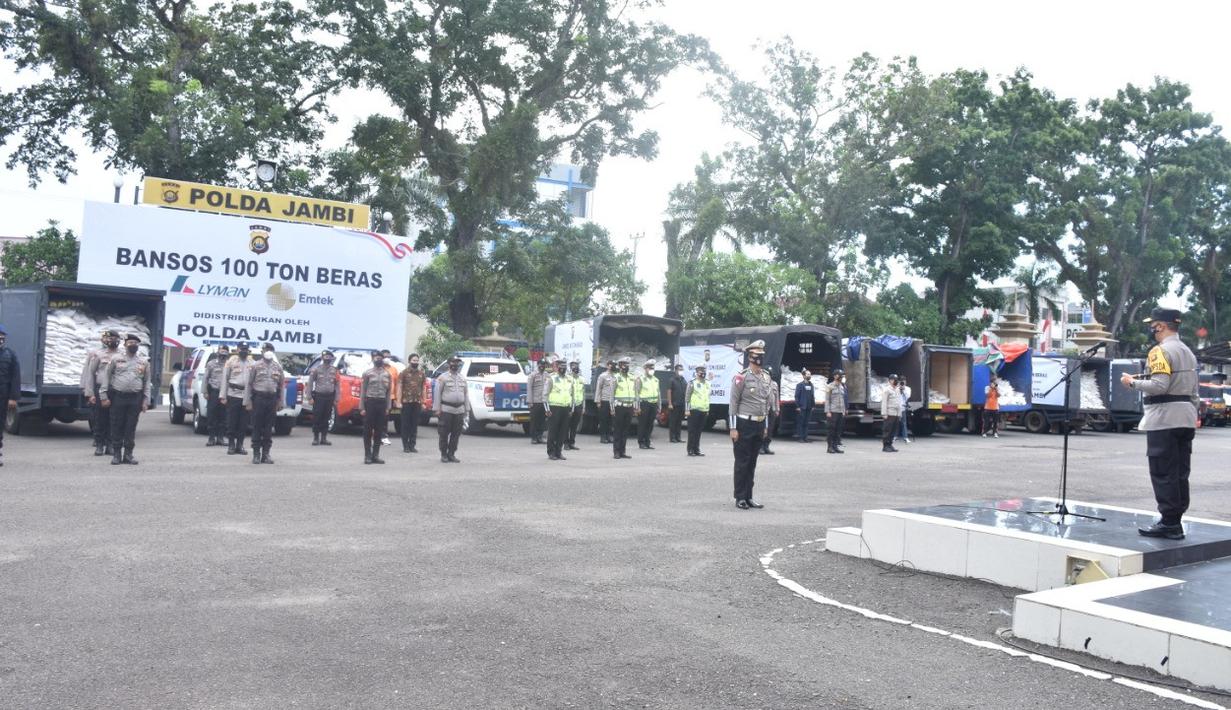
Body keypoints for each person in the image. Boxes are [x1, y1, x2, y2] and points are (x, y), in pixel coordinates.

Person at [1119, 307, 1200, 539]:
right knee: (1180, 472)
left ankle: (1169, 523)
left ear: (1161, 326)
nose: (1151, 329)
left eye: (1153, 325)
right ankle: (1175, 519)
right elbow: (1194, 391)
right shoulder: (1188, 351)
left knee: (1163, 471)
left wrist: (1131, 382)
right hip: (1185, 418)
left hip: (1164, 418)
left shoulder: (1159, 351)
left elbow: (1159, 386)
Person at [729, 340, 773, 509]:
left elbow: (765, 403)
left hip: (759, 423)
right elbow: (733, 403)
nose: (760, 358)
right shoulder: (741, 377)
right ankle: (740, 497)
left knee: (752, 462)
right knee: (742, 462)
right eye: (757, 355)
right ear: (750, 357)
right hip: (743, 424)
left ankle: (749, 496)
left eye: (762, 355)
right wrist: (733, 428)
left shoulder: (766, 377)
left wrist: (766, 425)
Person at [100, 334, 150, 465]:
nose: (133, 345)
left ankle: (128, 454)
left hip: (135, 399)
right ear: (125, 344)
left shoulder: (143, 362)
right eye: (130, 342)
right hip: (118, 397)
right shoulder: (116, 359)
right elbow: (106, 377)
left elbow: (146, 382)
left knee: (130, 427)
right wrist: (103, 396)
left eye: (135, 343)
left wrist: (145, 401)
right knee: (116, 425)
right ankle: (116, 454)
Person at [81, 330, 120, 456]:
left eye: (114, 338)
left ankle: (110, 445)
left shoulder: (122, 356)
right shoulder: (98, 355)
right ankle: (99, 444)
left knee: (113, 419)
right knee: (99, 418)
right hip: (101, 389)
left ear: (119, 340)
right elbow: (91, 373)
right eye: (109, 338)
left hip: (116, 390)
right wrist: (90, 393)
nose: (112, 341)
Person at [244, 343, 284, 464]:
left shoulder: (277, 367)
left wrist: (280, 401)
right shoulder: (255, 366)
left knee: (268, 428)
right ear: (262, 351)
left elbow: (281, 386)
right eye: (266, 349)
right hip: (258, 399)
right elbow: (249, 384)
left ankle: (266, 454)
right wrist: (247, 401)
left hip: (271, 399)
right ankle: (256, 454)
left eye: (270, 349)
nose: (268, 351)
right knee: (257, 427)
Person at [360, 350, 393, 464]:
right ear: (372, 359)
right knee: (368, 430)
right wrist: (362, 407)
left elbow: (389, 392)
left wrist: (388, 407)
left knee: (379, 430)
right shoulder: (367, 373)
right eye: (376, 358)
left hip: (382, 403)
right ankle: (367, 455)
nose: (378, 360)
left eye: (380, 358)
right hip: (370, 402)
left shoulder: (387, 374)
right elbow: (363, 391)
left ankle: (376, 455)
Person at [433, 354, 469, 463]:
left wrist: (466, 410)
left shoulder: (462, 378)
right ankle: (443, 454)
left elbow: (466, 394)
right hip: (446, 409)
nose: (455, 364)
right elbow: (437, 393)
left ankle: (451, 454)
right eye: (453, 362)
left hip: (459, 410)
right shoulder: (442, 377)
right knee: (443, 433)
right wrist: (437, 409)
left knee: (456, 434)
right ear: (449, 364)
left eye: (457, 363)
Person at [221, 342, 254, 455]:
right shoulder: (231, 362)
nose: (244, 351)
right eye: (242, 349)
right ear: (237, 349)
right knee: (231, 421)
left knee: (243, 423)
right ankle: (231, 445)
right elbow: (225, 379)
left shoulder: (252, 363)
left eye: (246, 349)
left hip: (246, 396)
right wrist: (223, 396)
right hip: (233, 394)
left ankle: (240, 445)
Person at [307, 349, 339, 446]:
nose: (327, 358)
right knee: (317, 417)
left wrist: (336, 398)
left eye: (329, 357)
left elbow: (337, 385)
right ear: (322, 358)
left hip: (330, 397)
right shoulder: (316, 370)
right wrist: (309, 397)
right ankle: (316, 438)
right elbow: (310, 383)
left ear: (331, 358)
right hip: (319, 397)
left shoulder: (334, 370)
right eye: (325, 357)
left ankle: (324, 438)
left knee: (326, 417)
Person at [610, 357, 639, 459]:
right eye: (624, 364)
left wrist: (636, 407)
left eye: (627, 364)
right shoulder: (616, 377)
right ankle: (616, 452)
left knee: (625, 430)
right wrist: (612, 408)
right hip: (619, 407)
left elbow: (636, 393)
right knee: (618, 430)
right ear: (619, 366)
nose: (626, 366)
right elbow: (611, 394)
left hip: (629, 407)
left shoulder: (632, 377)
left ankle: (623, 451)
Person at [0, 326, 21, 466]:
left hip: (2, 396)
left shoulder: (10, 355)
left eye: (2, 338)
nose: (0, 340)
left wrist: (13, 397)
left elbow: (15, 377)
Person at [544, 356, 572, 460]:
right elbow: (545, 394)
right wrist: (547, 409)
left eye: (564, 366)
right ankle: (551, 452)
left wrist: (571, 408)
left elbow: (572, 394)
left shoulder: (569, 379)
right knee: (553, 431)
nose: (563, 368)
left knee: (563, 431)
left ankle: (558, 452)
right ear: (557, 367)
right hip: (554, 407)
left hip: (565, 407)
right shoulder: (551, 378)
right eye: (561, 366)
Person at [399, 353, 426, 453]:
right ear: (409, 361)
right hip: (406, 402)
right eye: (414, 360)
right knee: (406, 424)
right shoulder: (403, 373)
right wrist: (398, 401)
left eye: (417, 361)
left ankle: (412, 445)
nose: (416, 362)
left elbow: (423, 388)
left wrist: (423, 402)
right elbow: (399, 387)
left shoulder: (421, 374)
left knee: (414, 425)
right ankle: (405, 445)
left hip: (417, 402)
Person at [204, 345, 229, 446]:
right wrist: (205, 392)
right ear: (218, 352)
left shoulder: (229, 364)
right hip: (214, 392)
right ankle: (211, 438)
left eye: (225, 352)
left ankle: (220, 438)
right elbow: (206, 378)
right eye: (221, 352)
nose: (223, 354)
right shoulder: (211, 364)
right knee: (212, 415)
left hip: (225, 394)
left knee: (223, 416)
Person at [685, 365, 710, 456]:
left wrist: (707, 409)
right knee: (692, 431)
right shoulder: (692, 383)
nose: (703, 373)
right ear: (697, 372)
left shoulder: (707, 383)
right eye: (701, 372)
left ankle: (696, 449)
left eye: (704, 371)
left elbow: (707, 397)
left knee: (699, 431)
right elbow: (687, 397)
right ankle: (690, 449)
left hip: (704, 410)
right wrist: (687, 409)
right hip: (694, 410)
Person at [637, 359, 660, 450]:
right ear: (645, 368)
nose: (651, 370)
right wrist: (637, 406)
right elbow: (637, 393)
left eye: (652, 368)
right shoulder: (640, 379)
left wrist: (659, 405)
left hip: (653, 404)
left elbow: (658, 393)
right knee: (643, 423)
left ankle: (647, 441)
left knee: (650, 424)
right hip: (644, 403)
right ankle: (641, 442)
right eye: (649, 368)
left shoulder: (656, 380)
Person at [528, 358, 549, 445]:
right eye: (541, 364)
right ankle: (534, 438)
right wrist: (530, 401)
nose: (542, 366)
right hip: (535, 401)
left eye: (544, 365)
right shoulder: (533, 375)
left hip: (544, 402)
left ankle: (540, 437)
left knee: (542, 420)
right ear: (538, 365)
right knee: (534, 421)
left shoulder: (547, 375)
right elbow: (529, 388)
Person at [380, 349, 399, 446]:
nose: (387, 358)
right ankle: (376, 436)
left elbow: (396, 385)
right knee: (377, 417)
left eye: (388, 357)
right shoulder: (378, 368)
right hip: (378, 396)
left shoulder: (393, 369)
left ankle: (384, 436)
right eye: (385, 356)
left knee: (385, 417)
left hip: (390, 397)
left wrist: (396, 399)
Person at [825, 370, 846, 454]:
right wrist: (828, 411)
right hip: (833, 411)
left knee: (838, 430)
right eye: (839, 375)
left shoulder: (842, 386)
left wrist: (843, 410)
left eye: (841, 376)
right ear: (835, 376)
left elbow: (843, 400)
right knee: (831, 430)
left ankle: (835, 446)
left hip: (840, 411)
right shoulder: (830, 386)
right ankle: (829, 447)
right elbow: (827, 400)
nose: (841, 377)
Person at [666, 363, 688, 444]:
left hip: (681, 404)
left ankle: (678, 437)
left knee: (679, 422)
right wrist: (670, 403)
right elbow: (669, 391)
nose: (681, 371)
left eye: (682, 370)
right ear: (675, 371)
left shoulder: (683, 380)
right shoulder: (672, 380)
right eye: (679, 369)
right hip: (674, 404)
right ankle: (672, 437)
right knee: (673, 422)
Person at [595, 360, 616, 444]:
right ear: (607, 365)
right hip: (604, 400)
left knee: (611, 420)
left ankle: (608, 436)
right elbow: (599, 388)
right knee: (604, 419)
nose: (613, 366)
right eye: (611, 365)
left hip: (613, 401)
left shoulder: (615, 376)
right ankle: (603, 437)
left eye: (614, 365)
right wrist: (598, 401)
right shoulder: (602, 376)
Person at [880, 374, 902, 453]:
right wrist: (884, 413)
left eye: (896, 379)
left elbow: (899, 402)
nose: (895, 381)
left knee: (893, 430)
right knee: (887, 430)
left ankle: (890, 444)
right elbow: (884, 402)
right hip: (889, 413)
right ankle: (885, 446)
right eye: (893, 379)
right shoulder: (887, 390)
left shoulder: (898, 389)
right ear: (889, 381)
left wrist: (900, 414)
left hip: (896, 413)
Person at [566, 359, 584, 451]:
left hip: (578, 404)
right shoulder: (567, 378)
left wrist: (583, 406)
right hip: (569, 405)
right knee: (566, 425)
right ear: (570, 366)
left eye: (576, 365)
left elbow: (583, 393)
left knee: (574, 426)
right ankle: (565, 443)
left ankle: (572, 443)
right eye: (573, 365)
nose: (575, 367)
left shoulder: (581, 379)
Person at [759, 371, 779, 456]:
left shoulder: (774, 384)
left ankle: (766, 446)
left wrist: (777, 409)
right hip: (763, 409)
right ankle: (760, 447)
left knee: (770, 429)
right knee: (763, 429)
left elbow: (776, 397)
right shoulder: (761, 383)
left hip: (772, 409)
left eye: (769, 374)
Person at [794, 369, 815, 443]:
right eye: (808, 374)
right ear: (803, 376)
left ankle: (805, 437)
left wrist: (813, 405)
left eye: (810, 374)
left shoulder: (811, 385)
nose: (809, 375)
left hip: (809, 407)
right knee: (801, 422)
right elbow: (797, 396)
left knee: (806, 422)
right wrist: (798, 406)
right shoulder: (799, 385)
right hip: (802, 407)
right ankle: (800, 437)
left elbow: (812, 396)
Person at [982, 373, 1001, 438]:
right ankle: (984, 432)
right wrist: (991, 389)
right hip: (988, 407)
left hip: (995, 407)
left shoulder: (997, 388)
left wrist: (996, 389)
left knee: (995, 421)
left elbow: (998, 395)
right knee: (986, 421)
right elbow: (988, 395)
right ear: (990, 383)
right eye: (992, 383)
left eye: (994, 383)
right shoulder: (987, 388)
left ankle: (995, 433)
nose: (993, 384)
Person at [895, 379, 912, 443]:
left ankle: (905, 437)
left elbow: (908, 396)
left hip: (902, 408)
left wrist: (903, 390)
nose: (902, 384)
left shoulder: (908, 389)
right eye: (901, 382)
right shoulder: (896, 388)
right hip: (896, 407)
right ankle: (895, 436)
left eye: (904, 383)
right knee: (895, 422)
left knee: (903, 423)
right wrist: (898, 388)